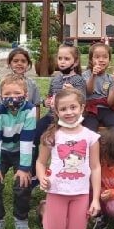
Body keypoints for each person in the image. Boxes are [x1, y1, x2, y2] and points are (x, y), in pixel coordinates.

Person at [36, 89, 101, 229]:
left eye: (73, 107)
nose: (69, 112)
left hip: (81, 192)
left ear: (82, 108)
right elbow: (40, 162)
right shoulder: (51, 135)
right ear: (57, 112)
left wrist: (96, 199)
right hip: (57, 190)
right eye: (63, 109)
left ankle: (61, 214)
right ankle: (45, 209)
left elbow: (96, 167)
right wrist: (41, 177)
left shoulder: (91, 136)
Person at [0, 74, 37, 229]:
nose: (12, 97)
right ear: (1, 96)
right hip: (2, 151)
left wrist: (24, 168)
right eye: (7, 94)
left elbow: (28, 141)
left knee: (23, 182)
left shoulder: (30, 110)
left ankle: (21, 218)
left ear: (25, 95)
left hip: (22, 150)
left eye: (16, 93)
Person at [33, 43, 87, 180]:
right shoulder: (56, 79)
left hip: (68, 119)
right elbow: (50, 96)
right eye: (60, 58)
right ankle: (35, 171)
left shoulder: (78, 80)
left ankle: (63, 170)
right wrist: (47, 102)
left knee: (60, 142)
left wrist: (72, 92)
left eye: (66, 59)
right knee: (35, 133)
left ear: (75, 62)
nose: (62, 62)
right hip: (51, 115)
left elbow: (82, 101)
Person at [81, 42, 114, 131]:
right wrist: (93, 75)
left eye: (105, 57)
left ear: (109, 60)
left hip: (105, 109)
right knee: (89, 129)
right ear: (91, 60)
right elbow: (89, 91)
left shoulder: (110, 78)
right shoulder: (85, 75)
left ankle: (109, 144)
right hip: (89, 110)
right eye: (97, 57)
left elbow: (110, 103)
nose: (101, 60)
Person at [6, 47, 42, 115]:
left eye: (23, 61)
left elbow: (37, 106)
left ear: (28, 64)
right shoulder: (4, 83)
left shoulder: (32, 84)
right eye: (15, 61)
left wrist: (35, 124)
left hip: (28, 121)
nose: (19, 63)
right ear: (9, 64)